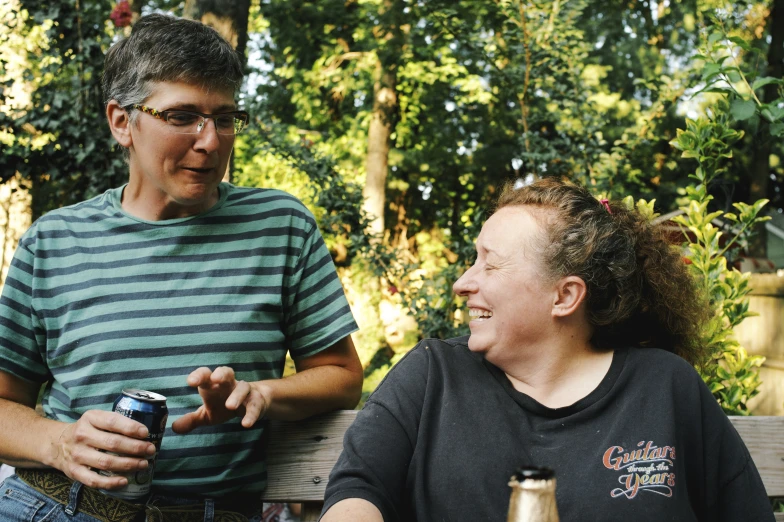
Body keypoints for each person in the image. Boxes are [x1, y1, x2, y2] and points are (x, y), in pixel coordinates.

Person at [0, 13, 362, 522]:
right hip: (60, 507)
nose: (211, 141)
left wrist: (262, 393)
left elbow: (340, 375)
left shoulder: (281, 226)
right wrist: (59, 442)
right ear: (121, 122)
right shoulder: (53, 241)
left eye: (225, 117)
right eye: (181, 115)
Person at [320, 178, 775, 522]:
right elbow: (357, 492)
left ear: (564, 297)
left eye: (490, 264)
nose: (463, 283)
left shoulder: (665, 387)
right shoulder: (432, 375)